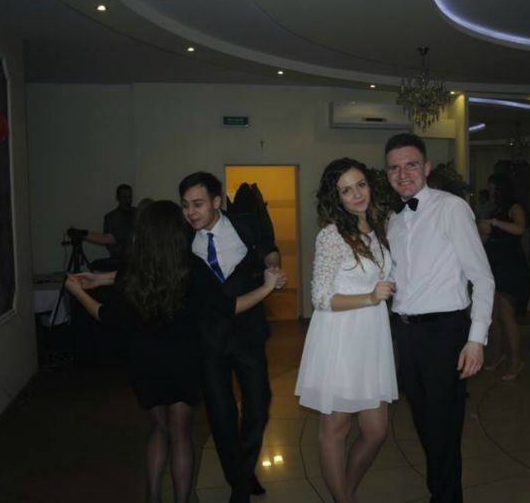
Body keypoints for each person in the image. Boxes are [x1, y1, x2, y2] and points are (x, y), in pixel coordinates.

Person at [64, 201, 280, 503]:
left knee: (158, 429)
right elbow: (228, 307)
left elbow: (105, 315)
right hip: (184, 360)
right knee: (180, 432)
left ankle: (152, 497)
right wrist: (267, 288)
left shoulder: (133, 270)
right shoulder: (192, 268)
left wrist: (79, 292)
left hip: (144, 361)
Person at [385, 133, 495, 503]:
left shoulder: (451, 208)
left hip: (444, 333)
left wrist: (475, 340)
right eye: (394, 168)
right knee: (426, 427)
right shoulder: (394, 220)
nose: (403, 174)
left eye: (411, 165)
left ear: (427, 168)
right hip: (407, 335)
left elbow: (482, 278)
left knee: (444, 429)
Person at [295, 158, 397, 503]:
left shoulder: (378, 227)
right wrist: (369, 297)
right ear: (335, 198)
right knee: (336, 427)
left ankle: (346, 491)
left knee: (376, 430)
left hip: (372, 337)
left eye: (361, 185)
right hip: (340, 337)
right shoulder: (331, 236)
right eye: (346, 190)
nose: (357, 194)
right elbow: (321, 297)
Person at [179, 172, 285, 503]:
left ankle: (244, 468)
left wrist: (272, 267)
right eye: (185, 205)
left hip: (248, 333)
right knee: (221, 414)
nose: (191, 212)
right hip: (208, 338)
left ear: (216, 201)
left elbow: (269, 250)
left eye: (198, 204)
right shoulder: (181, 239)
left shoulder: (246, 225)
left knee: (259, 405)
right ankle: (239, 483)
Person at [479, 173, 530, 381]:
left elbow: (520, 228)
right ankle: (499, 354)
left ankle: (516, 361)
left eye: (492, 187)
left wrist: (495, 223)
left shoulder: (514, 207)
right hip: (495, 265)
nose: (490, 190)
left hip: (510, 265)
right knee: (494, 315)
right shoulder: (496, 208)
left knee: (507, 314)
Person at [85, 184, 137, 263]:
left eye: (129, 197)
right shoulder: (110, 218)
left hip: (138, 258)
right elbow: (109, 243)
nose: (128, 200)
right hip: (120, 259)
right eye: (124, 197)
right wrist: (125, 252)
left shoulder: (138, 213)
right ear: (117, 198)